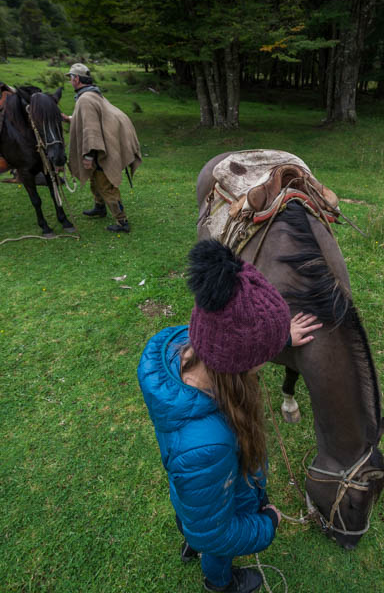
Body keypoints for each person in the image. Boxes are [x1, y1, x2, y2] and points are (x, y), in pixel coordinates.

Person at [138, 240, 322, 593]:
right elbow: (218, 533)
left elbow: (231, 336)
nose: (265, 363)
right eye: (263, 356)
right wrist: (267, 523)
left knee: (194, 510)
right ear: (239, 364)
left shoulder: (181, 347)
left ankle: (190, 533)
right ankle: (219, 583)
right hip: (216, 496)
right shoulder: (209, 444)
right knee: (212, 543)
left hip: (197, 487)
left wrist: (279, 335)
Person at [64, 63, 141, 233]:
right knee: (94, 180)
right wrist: (70, 118)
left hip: (99, 151)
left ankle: (122, 222)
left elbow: (91, 130)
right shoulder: (92, 94)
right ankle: (99, 207)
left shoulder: (85, 99)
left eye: (70, 78)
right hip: (102, 146)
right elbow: (92, 119)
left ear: (76, 78)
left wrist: (89, 156)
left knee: (106, 185)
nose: (70, 81)